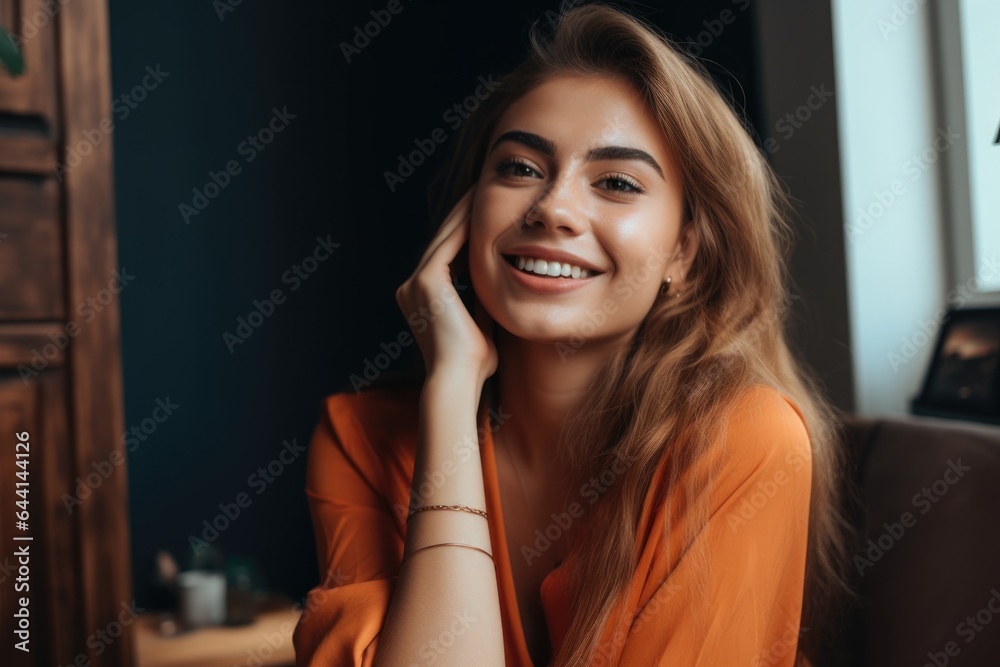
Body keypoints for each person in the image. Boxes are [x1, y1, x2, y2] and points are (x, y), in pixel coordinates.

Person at [293, 4, 854, 665]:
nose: (554, 207)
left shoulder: (745, 438)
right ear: (468, 216)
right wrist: (449, 392)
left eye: (616, 182)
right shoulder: (361, 440)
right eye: (520, 168)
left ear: (685, 252)